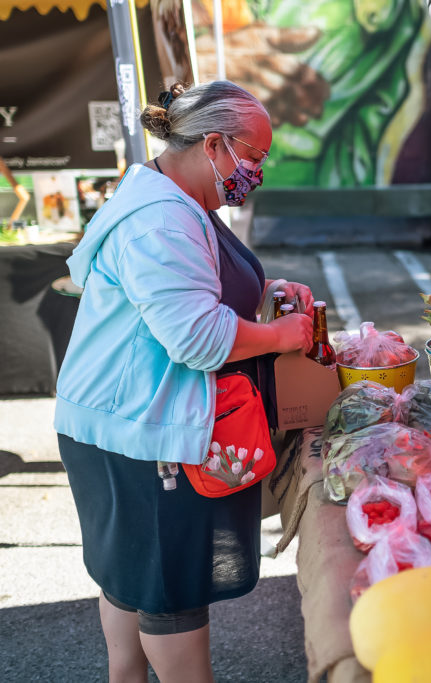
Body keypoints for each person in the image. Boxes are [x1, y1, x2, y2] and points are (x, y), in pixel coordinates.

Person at [53, 80, 313, 683]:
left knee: (129, 576)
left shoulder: (169, 195)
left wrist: (267, 296)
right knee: (166, 589)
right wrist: (280, 337)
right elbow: (195, 338)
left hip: (114, 424)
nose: (259, 172)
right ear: (215, 145)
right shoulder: (163, 219)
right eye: (256, 157)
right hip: (140, 436)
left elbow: (191, 294)